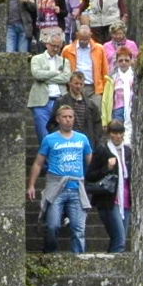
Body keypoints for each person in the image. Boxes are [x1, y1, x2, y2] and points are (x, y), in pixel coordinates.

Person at [27, 104, 93, 254]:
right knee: (52, 226)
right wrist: (31, 185)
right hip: (57, 188)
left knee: (79, 228)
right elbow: (38, 163)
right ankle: (51, 254)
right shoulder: (49, 139)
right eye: (64, 117)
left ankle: (79, 260)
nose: (68, 120)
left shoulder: (82, 139)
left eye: (70, 117)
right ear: (58, 119)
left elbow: (91, 161)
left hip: (76, 188)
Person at [87, 120, 131, 252]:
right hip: (109, 201)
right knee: (120, 239)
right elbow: (90, 176)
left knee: (118, 238)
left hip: (126, 200)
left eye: (120, 133)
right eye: (114, 133)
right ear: (109, 134)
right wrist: (107, 168)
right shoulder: (102, 150)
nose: (117, 136)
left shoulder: (128, 152)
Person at [28, 21, 72, 144]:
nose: (56, 49)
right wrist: (55, 73)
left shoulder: (64, 61)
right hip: (41, 102)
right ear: (47, 44)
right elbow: (37, 74)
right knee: (44, 136)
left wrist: (46, 76)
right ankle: (46, 163)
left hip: (59, 100)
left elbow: (66, 78)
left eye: (58, 46)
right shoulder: (37, 59)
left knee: (60, 136)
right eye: (53, 45)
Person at [58, 70, 102, 147]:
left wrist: (95, 139)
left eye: (81, 84)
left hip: (86, 143)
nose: (78, 86)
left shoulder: (91, 104)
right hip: (66, 143)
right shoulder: (61, 102)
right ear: (70, 84)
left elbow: (97, 123)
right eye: (76, 83)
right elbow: (52, 124)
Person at [63, 25, 108, 96]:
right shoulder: (67, 50)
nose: (84, 42)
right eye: (81, 39)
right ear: (77, 35)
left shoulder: (99, 49)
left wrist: (105, 89)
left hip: (94, 88)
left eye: (86, 40)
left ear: (90, 35)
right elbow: (62, 70)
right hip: (74, 87)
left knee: (96, 106)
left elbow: (105, 71)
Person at [102, 49, 135, 130]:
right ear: (116, 62)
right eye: (120, 61)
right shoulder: (112, 78)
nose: (124, 63)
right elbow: (105, 100)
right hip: (118, 110)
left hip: (133, 108)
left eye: (126, 60)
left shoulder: (135, 77)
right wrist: (105, 121)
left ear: (131, 61)